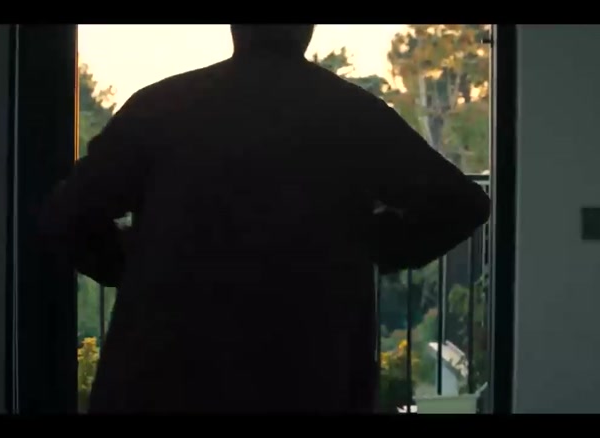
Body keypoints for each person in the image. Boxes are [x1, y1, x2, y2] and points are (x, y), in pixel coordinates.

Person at [39, 24, 490, 413]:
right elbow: (462, 203)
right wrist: (372, 243)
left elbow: (67, 215)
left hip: (162, 373)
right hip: (307, 372)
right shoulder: (351, 116)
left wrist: (132, 263)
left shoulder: (160, 109)